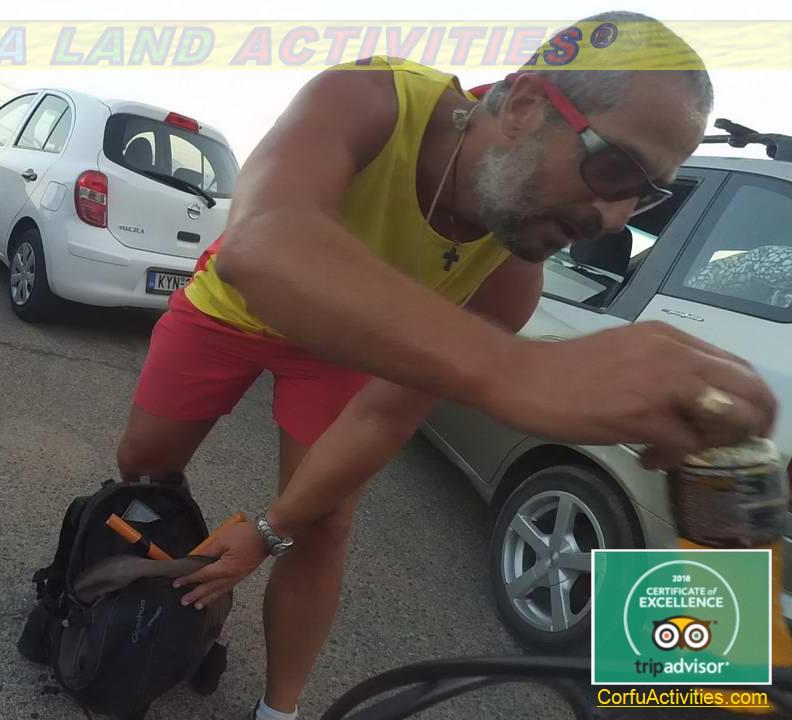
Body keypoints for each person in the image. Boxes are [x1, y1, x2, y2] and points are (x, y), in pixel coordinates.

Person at [113, 11, 780, 720]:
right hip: (233, 308)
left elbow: (383, 414)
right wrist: (516, 371)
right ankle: (141, 597)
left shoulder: (511, 277)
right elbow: (260, 244)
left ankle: (279, 712)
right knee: (144, 468)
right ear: (525, 106)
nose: (617, 219)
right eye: (615, 169)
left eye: (645, 195)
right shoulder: (369, 97)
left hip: (345, 344)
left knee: (323, 521)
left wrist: (267, 531)